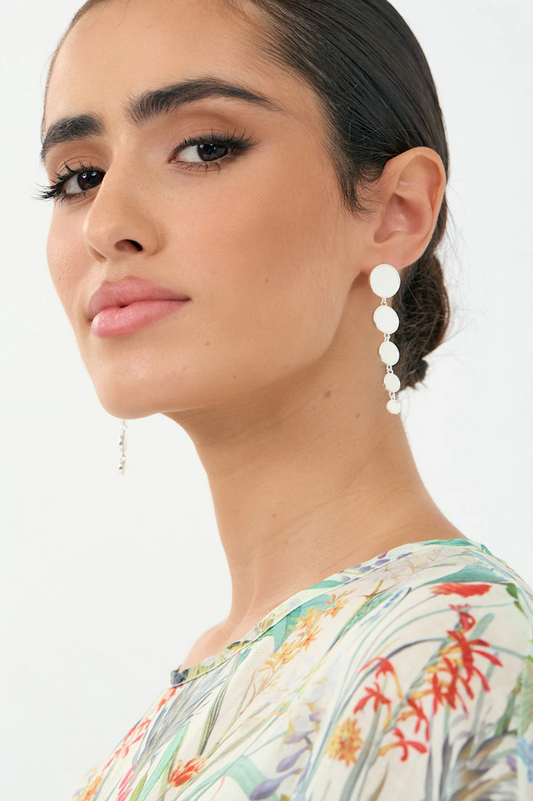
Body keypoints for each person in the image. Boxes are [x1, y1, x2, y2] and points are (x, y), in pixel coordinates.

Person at [37, 0, 533, 798]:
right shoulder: (209, 674)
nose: (107, 222)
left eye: (202, 147)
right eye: (78, 177)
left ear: (396, 211)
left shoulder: (456, 653)